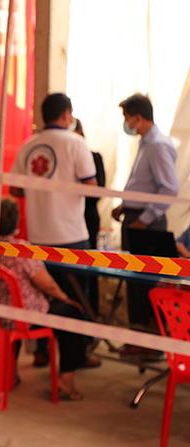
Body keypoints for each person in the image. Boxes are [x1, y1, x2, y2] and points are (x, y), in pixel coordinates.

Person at [11, 93, 96, 367]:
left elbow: (14, 188)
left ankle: (42, 353)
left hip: (38, 236)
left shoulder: (29, 145)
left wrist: (41, 192)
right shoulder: (76, 143)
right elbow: (92, 189)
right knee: (73, 302)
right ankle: (76, 359)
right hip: (72, 236)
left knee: (43, 299)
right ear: (67, 114)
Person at [0, 199, 89, 400]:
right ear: (17, 221)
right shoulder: (21, 249)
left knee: (54, 308)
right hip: (27, 316)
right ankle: (66, 380)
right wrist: (66, 299)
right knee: (72, 313)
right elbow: (47, 284)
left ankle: (10, 374)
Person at [111, 94, 178, 331]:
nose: (127, 123)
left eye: (128, 118)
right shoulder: (146, 142)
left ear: (138, 118)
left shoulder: (158, 145)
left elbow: (168, 189)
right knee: (135, 281)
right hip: (135, 218)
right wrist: (125, 205)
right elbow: (144, 184)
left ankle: (149, 339)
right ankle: (139, 336)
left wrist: (143, 220)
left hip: (147, 226)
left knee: (145, 283)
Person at [74, 118, 106, 322]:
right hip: (69, 219)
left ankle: (92, 316)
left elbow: (98, 191)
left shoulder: (94, 157)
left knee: (90, 268)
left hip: (88, 217)